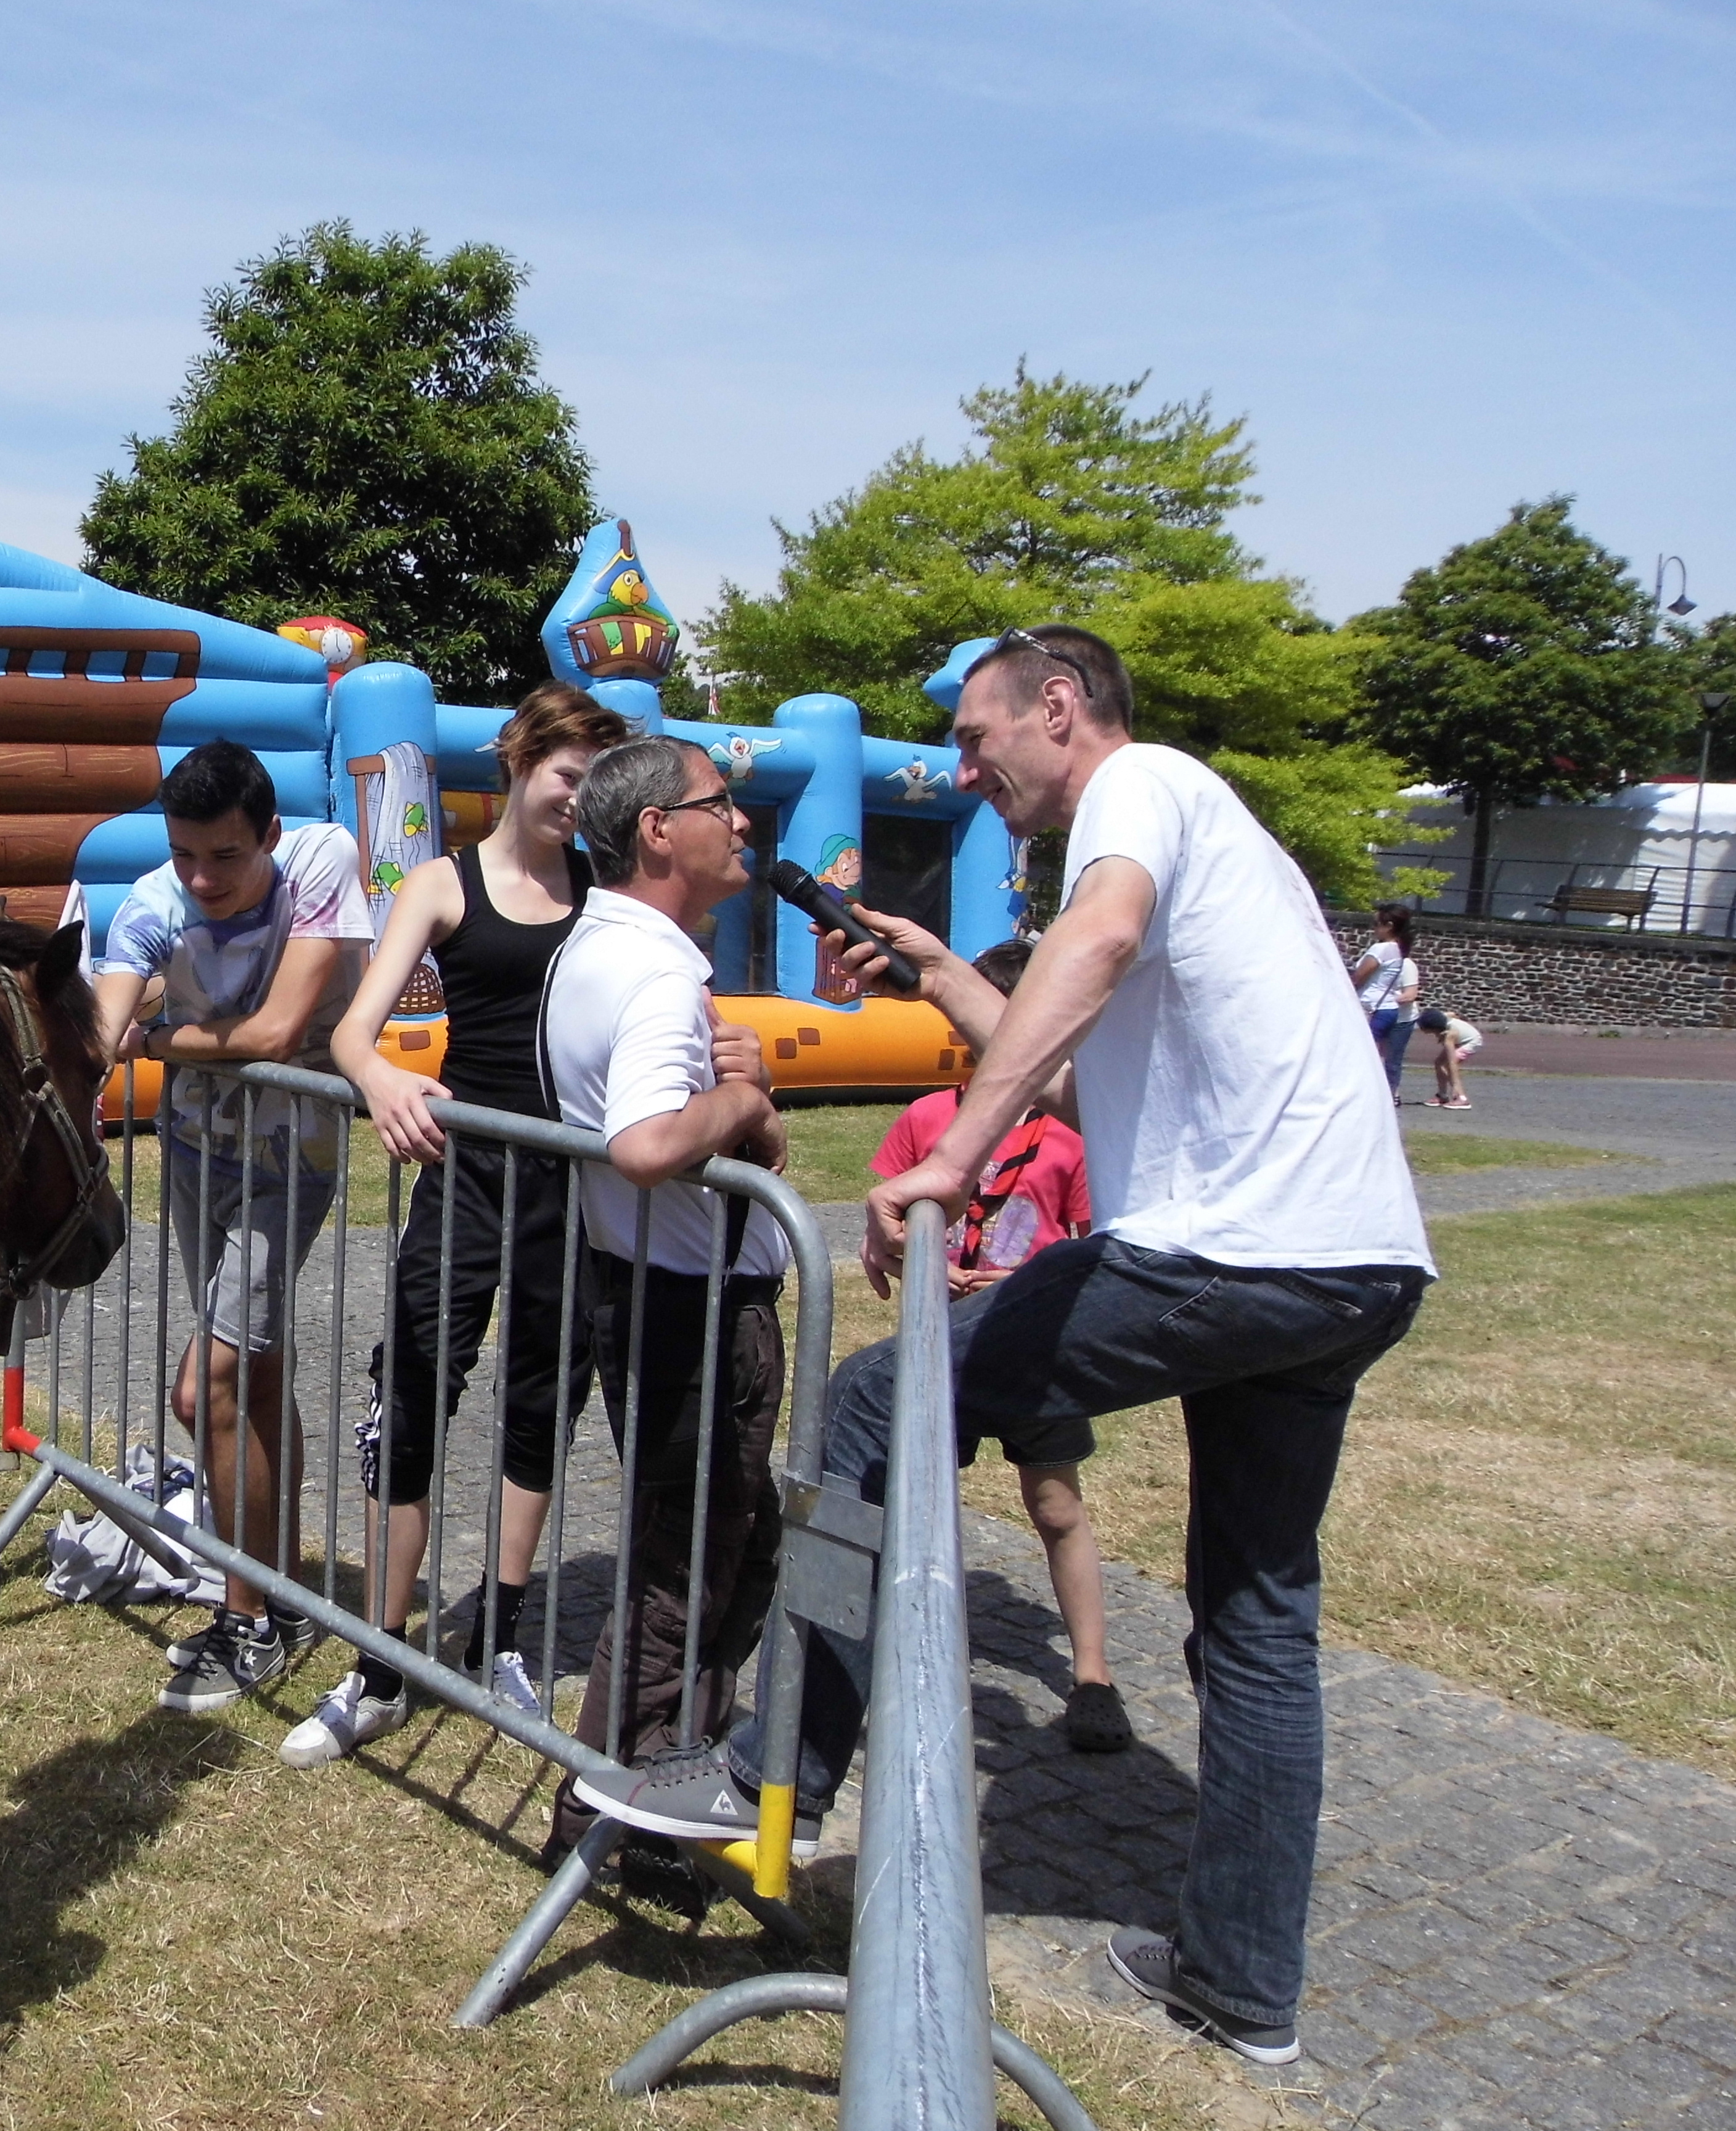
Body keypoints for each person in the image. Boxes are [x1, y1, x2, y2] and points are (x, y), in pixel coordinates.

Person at [573, 626, 1433, 2069]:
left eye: (979, 738)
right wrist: (929, 978)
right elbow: (1101, 1057)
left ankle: (759, 1771)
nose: (967, 769)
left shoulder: (1141, 784)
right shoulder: (1211, 839)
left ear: (1059, 707)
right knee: (1261, 1620)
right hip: (1350, 1261)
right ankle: (1238, 1984)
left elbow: (1089, 951)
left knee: (869, 1399)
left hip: (1231, 1251)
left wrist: (951, 1160)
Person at [286, 685, 631, 1768]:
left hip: (573, 1185)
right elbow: (350, 1030)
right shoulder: (443, 882)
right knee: (414, 1392)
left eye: (595, 783)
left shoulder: (606, 893)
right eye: (565, 775)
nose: (577, 800)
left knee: (544, 1399)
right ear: (521, 765)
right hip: (465, 1175)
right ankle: (381, 1661)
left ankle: (505, 1638)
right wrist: (382, 1078)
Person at [535, 734, 792, 1858]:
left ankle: (667, 1779)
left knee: (730, 1551)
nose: (737, 822)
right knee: (682, 1572)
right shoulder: (656, 970)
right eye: (719, 802)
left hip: (642, 1289)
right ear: (657, 830)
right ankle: (618, 1810)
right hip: (693, 1310)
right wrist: (737, 1113)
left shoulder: (591, 947)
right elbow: (644, 1144)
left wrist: (751, 1101)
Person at [92, 739, 374, 1714]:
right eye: (185, 856)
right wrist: (99, 1039)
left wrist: (159, 1041)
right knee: (241, 1378)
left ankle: (249, 1618)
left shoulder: (324, 858)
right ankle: (286, 1595)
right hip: (194, 1154)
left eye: (226, 856)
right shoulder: (149, 904)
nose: (203, 878)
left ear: (271, 838)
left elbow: (275, 1034)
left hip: (291, 1158)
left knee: (216, 1378)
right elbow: (101, 1031)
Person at [869, 938, 1124, 1753]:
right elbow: (889, 1225)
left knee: (1056, 1505)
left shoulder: (1076, 1135)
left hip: (1038, 1344)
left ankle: (1093, 1674)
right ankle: (897, 1653)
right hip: (943, 1341)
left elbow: (1093, 1242)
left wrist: (1027, 1277)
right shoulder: (927, 1120)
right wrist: (926, 1266)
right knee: (915, 1502)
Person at [1351, 906, 1423, 1101]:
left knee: (1363, 1054)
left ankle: (1365, 1096)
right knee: (1380, 1056)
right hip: (1389, 1008)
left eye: (1376, 924)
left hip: (1372, 1007)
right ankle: (1381, 1095)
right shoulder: (1398, 950)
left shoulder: (1381, 949)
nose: (1373, 928)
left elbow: (1358, 977)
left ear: (1389, 926)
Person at [1418, 1005, 1481, 1108]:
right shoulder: (1442, 1018)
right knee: (1439, 1063)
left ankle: (1462, 1098)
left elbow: (1452, 1063)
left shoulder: (1450, 1036)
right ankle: (1442, 1096)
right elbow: (1452, 1014)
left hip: (1471, 1042)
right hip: (1460, 1039)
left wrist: (1455, 1085)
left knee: (1447, 1065)